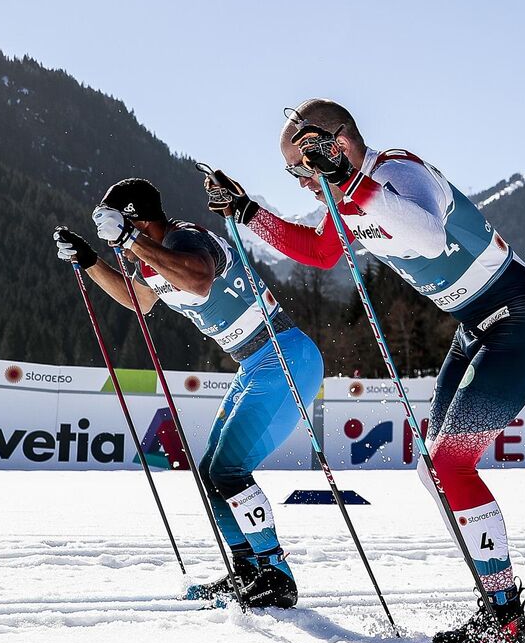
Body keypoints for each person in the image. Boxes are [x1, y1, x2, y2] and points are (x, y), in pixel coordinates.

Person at [209, 100, 525, 643]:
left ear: (335, 142)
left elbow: (424, 235)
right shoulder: (346, 196)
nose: (301, 180)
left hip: (521, 318)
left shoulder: (396, 171)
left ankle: (504, 621)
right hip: (478, 325)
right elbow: (321, 253)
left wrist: (351, 182)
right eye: (292, 173)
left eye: (302, 165)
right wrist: (248, 211)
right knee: (435, 469)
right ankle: (494, 609)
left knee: (451, 465)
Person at [53, 177, 323, 609]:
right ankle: (248, 570)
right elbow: (138, 301)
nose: (112, 237)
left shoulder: (188, 237)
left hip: (284, 353)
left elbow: (197, 280)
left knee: (229, 470)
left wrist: (128, 240)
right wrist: (90, 260)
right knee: (210, 472)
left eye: (115, 226)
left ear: (136, 219)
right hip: (254, 361)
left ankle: (276, 574)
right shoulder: (146, 258)